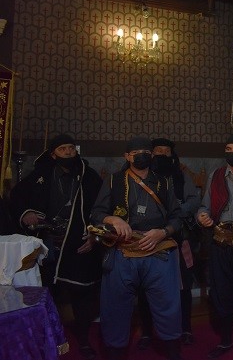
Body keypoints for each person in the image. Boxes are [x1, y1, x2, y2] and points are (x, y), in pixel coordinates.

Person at [10, 134, 103, 360]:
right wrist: (27, 213)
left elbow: (103, 208)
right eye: (63, 149)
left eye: (71, 148)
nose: (69, 152)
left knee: (82, 294)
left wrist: (95, 236)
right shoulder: (40, 175)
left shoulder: (89, 177)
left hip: (79, 243)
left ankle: (83, 339)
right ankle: (47, 338)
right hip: (49, 241)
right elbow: (16, 196)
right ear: (53, 154)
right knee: (47, 293)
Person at [90, 137, 184, 360]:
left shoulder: (163, 182)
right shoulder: (113, 181)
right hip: (123, 252)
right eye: (136, 153)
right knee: (115, 307)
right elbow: (96, 214)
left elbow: (177, 218)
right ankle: (114, 353)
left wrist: (163, 232)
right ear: (127, 156)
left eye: (146, 152)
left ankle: (173, 353)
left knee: (168, 307)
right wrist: (113, 219)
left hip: (158, 251)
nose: (142, 156)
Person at [196, 133, 233, 359]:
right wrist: (202, 216)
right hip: (221, 241)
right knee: (222, 292)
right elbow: (204, 206)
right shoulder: (216, 175)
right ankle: (225, 340)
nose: (231, 153)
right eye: (228, 149)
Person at [136, 138, 201, 349]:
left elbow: (194, 200)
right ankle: (147, 332)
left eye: (167, 151)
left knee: (183, 286)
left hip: (178, 237)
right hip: (148, 239)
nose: (163, 154)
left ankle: (185, 328)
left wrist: (175, 212)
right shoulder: (142, 176)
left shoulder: (180, 175)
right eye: (158, 151)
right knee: (145, 287)